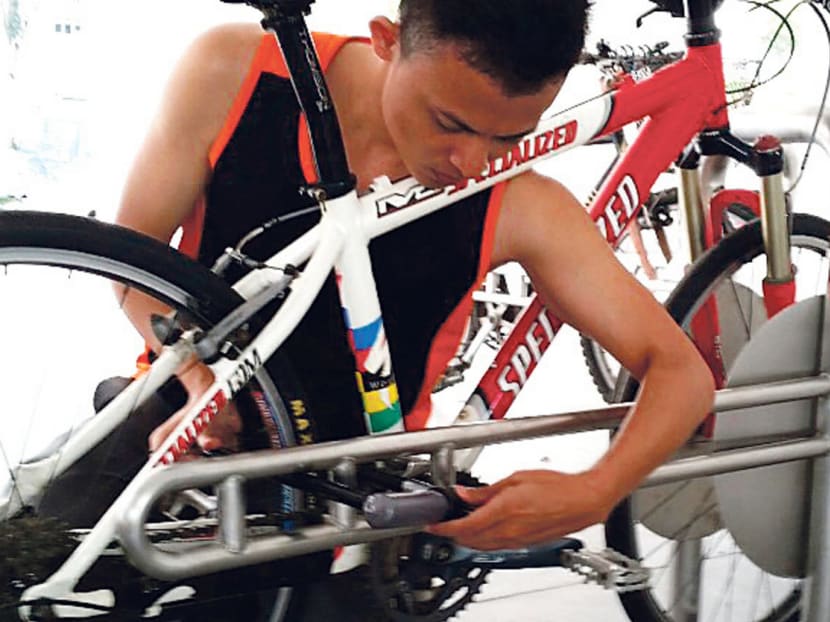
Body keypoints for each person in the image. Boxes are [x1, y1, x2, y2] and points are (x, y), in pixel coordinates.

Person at [115, 0, 714, 555]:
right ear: (386, 41)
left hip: (349, 508)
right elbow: (125, 262)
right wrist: (199, 379)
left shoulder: (521, 204)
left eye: (511, 137)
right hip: (174, 431)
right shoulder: (237, 73)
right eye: (449, 122)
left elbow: (681, 372)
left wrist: (595, 492)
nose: (473, 164)